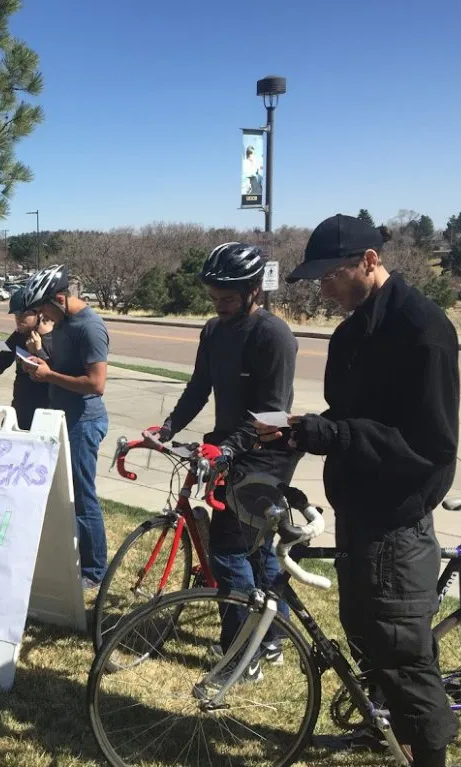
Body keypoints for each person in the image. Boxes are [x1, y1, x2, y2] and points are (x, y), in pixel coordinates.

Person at [257, 214, 459, 767]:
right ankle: (385, 728)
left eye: (331, 274)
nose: (323, 286)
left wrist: (330, 431)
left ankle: (429, 754)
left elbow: (430, 446)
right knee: (366, 632)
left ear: (370, 261)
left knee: (401, 651)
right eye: (316, 276)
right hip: (359, 508)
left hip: (396, 515)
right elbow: (350, 420)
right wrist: (303, 428)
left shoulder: (423, 331)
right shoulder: (352, 331)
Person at [145, 242, 300, 678]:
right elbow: (199, 387)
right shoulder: (213, 331)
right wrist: (169, 427)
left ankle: (241, 651)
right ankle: (272, 635)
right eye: (213, 299)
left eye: (227, 299)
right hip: (228, 443)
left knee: (229, 552)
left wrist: (229, 449)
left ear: (254, 290)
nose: (219, 306)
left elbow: (273, 411)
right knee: (255, 551)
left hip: (267, 452)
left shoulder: (274, 336)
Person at [23, 265, 109, 589]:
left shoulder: (89, 327)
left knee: (83, 497)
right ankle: (74, 558)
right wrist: (39, 357)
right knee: (64, 495)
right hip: (60, 417)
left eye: (43, 307)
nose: (41, 315)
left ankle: (95, 571)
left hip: (84, 422)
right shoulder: (61, 323)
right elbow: (59, 366)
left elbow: (96, 383)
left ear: (60, 297)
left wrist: (49, 376)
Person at [0, 286, 54, 430]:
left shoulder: (56, 339)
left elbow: (57, 376)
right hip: (19, 413)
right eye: (15, 314)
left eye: (23, 314)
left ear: (39, 313)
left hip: (46, 417)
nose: (18, 319)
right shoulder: (19, 336)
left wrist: (38, 352)